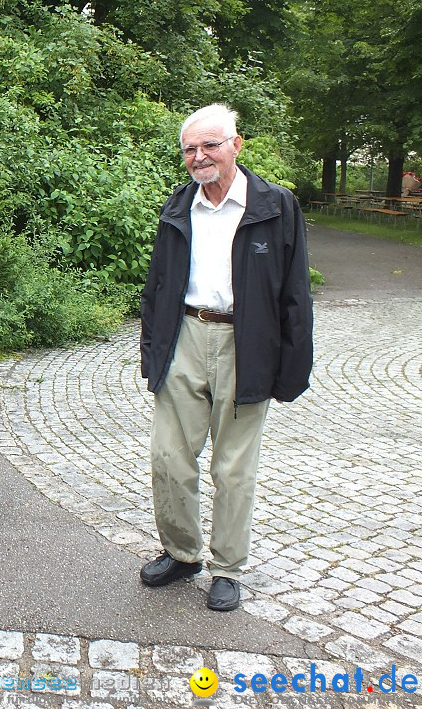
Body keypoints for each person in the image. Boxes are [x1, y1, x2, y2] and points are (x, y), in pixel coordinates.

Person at [139, 104, 313, 611]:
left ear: (236, 144)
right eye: (190, 149)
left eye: (210, 144)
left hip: (247, 341)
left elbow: (296, 293)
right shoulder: (178, 206)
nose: (200, 157)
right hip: (185, 336)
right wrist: (153, 348)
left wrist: (290, 365)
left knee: (233, 469)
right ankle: (182, 552)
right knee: (168, 456)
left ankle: (227, 567)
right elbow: (157, 285)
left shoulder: (274, 206)